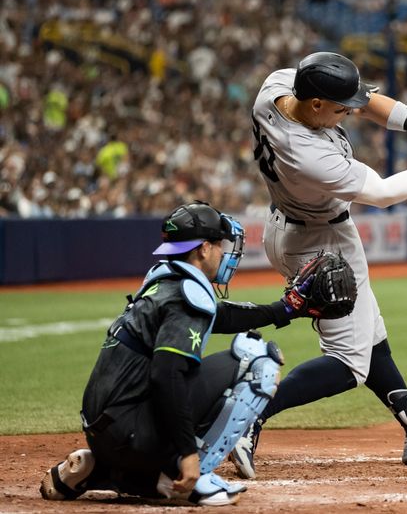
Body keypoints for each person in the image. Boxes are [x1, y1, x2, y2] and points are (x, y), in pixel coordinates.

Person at [231, 51, 407, 478]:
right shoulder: (306, 153)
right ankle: (248, 410)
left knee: (371, 336)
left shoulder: (279, 86)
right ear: (315, 104)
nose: (350, 114)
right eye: (340, 109)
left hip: (300, 227)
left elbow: (370, 100)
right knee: (349, 363)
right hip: (317, 242)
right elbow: (385, 194)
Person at [39, 201, 353, 506]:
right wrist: (187, 453)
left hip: (105, 429)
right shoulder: (186, 295)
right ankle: (188, 478)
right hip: (131, 433)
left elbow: (222, 316)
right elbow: (166, 375)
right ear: (203, 248)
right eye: (219, 245)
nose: (224, 253)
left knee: (202, 369)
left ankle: (103, 471)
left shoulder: (163, 278)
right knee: (258, 360)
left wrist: (285, 309)